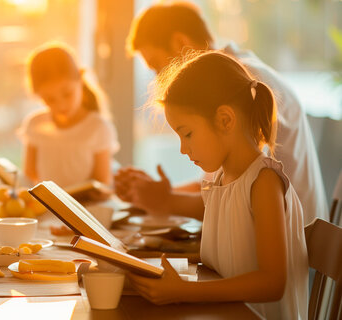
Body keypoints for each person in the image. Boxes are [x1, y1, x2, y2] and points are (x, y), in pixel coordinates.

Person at [126, 51, 308, 319]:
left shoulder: (263, 182)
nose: (182, 149)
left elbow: (272, 284)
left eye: (187, 134)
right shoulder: (220, 181)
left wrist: (183, 292)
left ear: (225, 120)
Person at [115, 0, 327, 223]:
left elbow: (235, 197)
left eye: (156, 66)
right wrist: (149, 193)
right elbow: (216, 186)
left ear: (180, 42)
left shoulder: (242, 82)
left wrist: (165, 200)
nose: (160, 80)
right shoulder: (229, 75)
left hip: (296, 238)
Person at [18, 42, 119, 189]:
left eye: (67, 94)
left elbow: (102, 184)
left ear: (80, 79)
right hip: (46, 210)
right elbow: (29, 177)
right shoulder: (35, 124)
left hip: (85, 210)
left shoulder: (98, 127)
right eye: (49, 99)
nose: (61, 105)